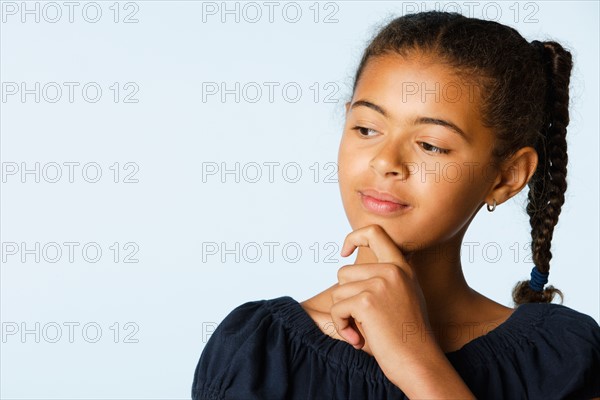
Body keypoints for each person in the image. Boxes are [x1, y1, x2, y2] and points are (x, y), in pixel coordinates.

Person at [191, 10, 600, 399]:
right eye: (366, 128)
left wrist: (414, 359)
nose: (385, 161)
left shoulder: (561, 356)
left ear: (507, 176)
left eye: (431, 145)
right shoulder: (258, 354)